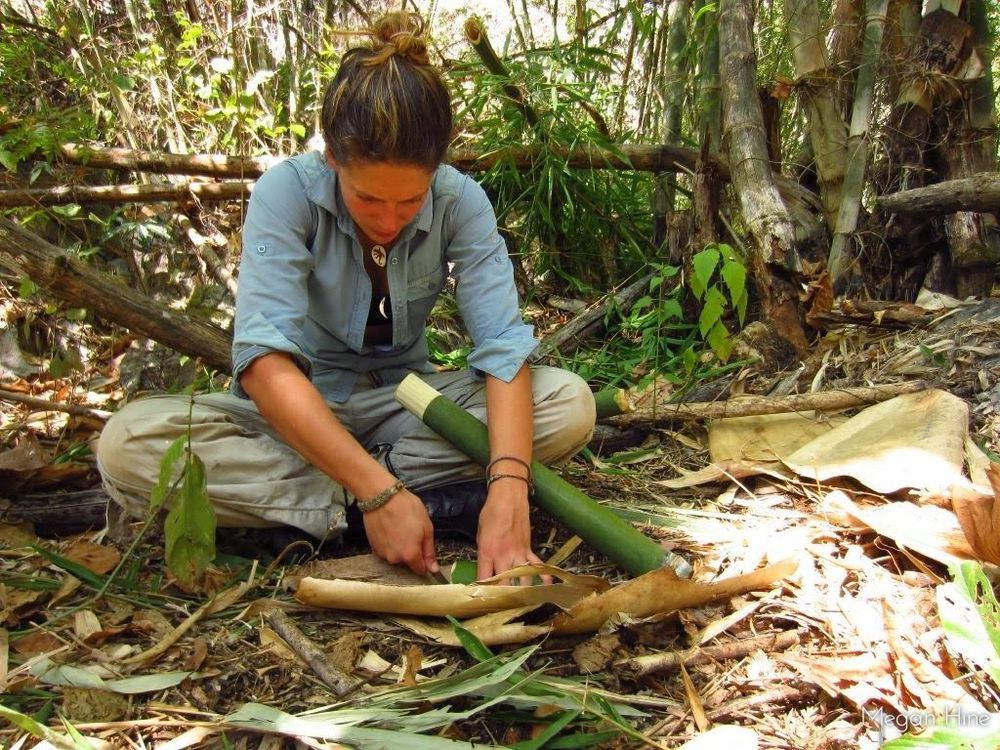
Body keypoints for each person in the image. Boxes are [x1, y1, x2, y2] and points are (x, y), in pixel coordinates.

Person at [96, 12, 596, 581]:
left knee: (567, 404)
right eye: (367, 199)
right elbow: (263, 365)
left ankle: (320, 512)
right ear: (332, 157)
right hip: (301, 413)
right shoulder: (286, 193)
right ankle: (395, 504)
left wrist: (509, 484)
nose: (388, 220)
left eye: (410, 203)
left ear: (437, 169)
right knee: (128, 445)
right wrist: (378, 492)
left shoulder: (463, 202)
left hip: (406, 407)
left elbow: (504, 349)